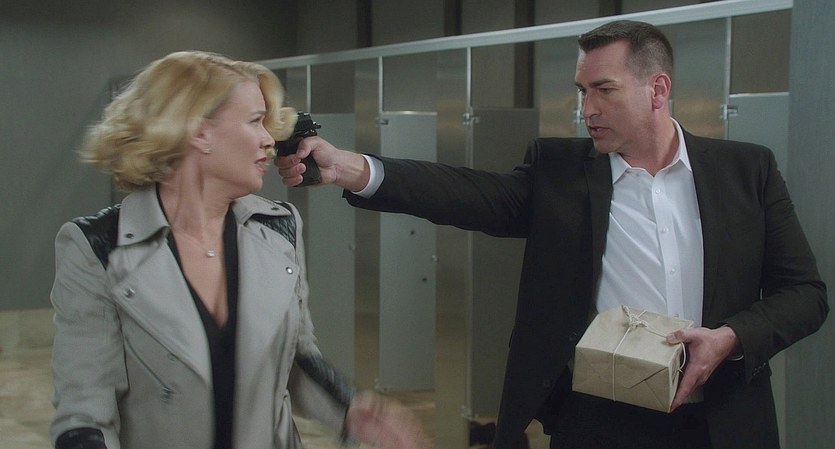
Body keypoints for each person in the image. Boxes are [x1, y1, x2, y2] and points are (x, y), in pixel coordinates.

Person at [277, 20, 829, 449]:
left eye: (604, 90)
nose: (587, 109)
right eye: (582, 90)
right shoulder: (560, 171)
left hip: (722, 423)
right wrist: (349, 167)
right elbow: (468, 193)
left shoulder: (747, 171)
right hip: (598, 422)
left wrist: (731, 337)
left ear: (658, 89)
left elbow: (805, 294)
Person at [49, 51, 429, 449]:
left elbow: (296, 357)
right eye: (254, 121)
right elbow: (85, 414)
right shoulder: (98, 247)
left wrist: (350, 408)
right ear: (199, 131)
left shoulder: (278, 227)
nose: (269, 139)